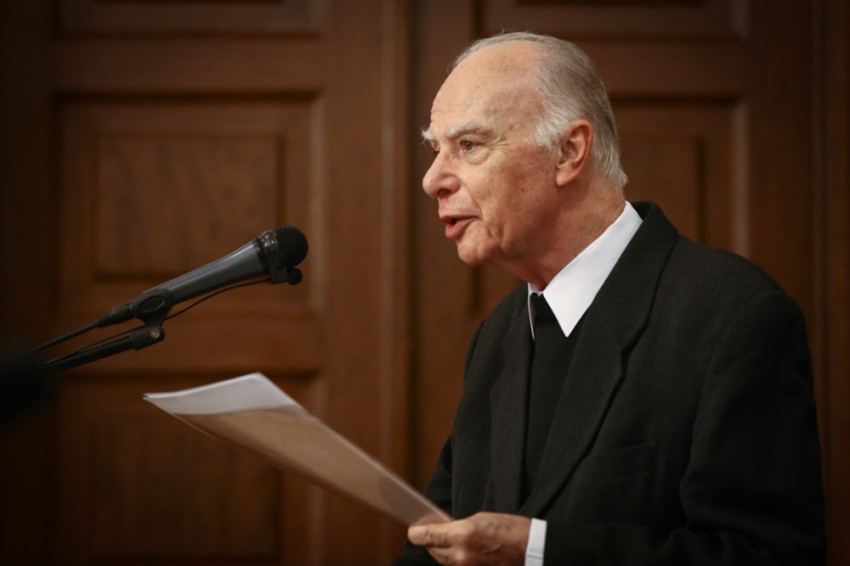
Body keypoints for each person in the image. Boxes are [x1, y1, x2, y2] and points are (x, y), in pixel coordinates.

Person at [392, 32, 826, 565]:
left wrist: (539, 553)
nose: (432, 179)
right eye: (436, 149)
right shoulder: (499, 334)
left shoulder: (734, 316)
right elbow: (442, 541)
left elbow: (768, 555)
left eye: (468, 146)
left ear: (569, 152)